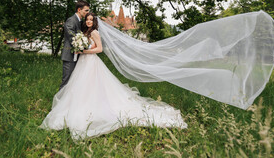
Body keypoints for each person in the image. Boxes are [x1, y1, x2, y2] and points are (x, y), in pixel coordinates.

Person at [40, 13, 187, 139]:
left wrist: (84, 51)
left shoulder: (95, 33)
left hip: (91, 62)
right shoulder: (84, 33)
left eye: (91, 20)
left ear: (94, 21)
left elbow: (99, 49)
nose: (89, 21)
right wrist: (79, 48)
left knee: (92, 86)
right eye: (87, 20)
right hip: (83, 63)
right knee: (80, 86)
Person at [59, 0, 90, 91]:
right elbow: (71, 36)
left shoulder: (80, 22)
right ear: (79, 10)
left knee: (75, 81)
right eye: (86, 10)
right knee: (66, 80)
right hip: (69, 55)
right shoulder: (71, 20)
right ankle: (60, 103)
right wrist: (83, 44)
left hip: (77, 55)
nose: (87, 13)